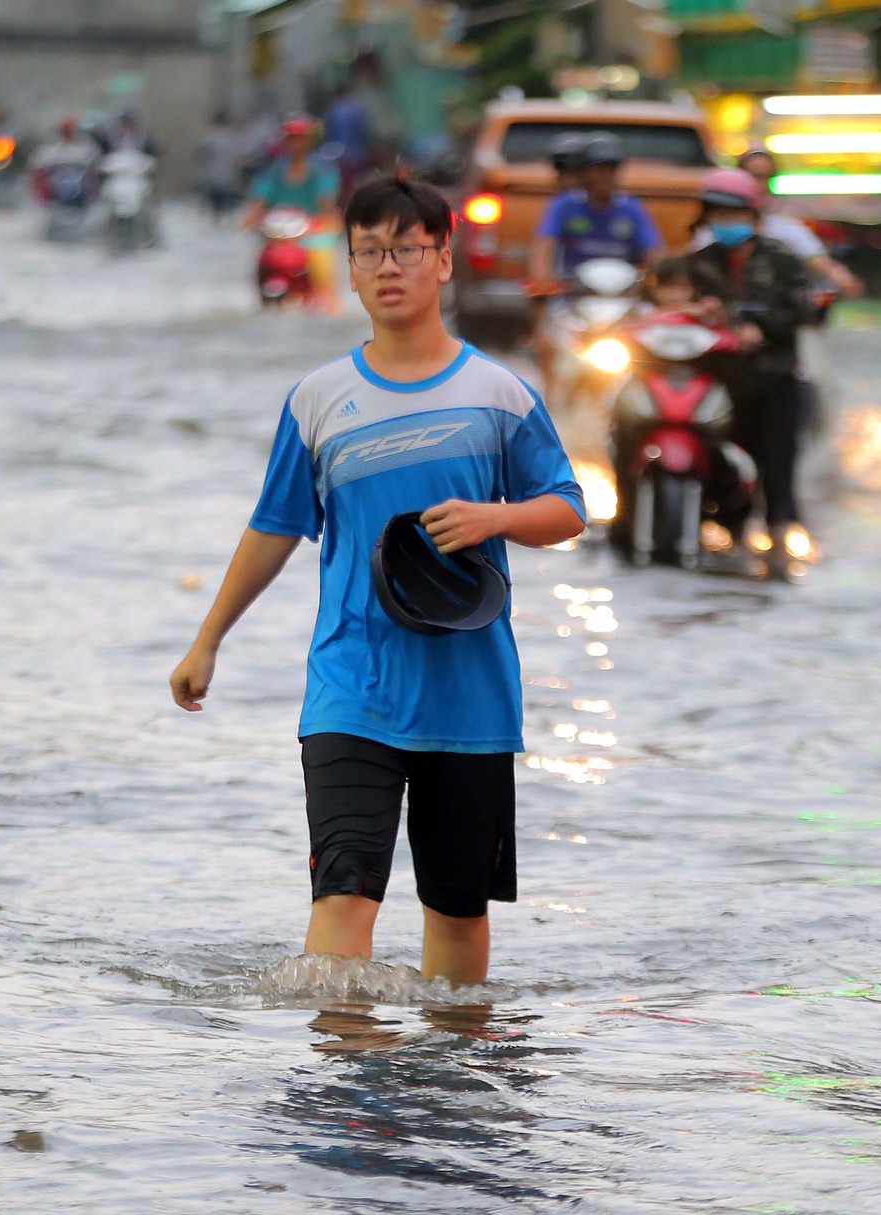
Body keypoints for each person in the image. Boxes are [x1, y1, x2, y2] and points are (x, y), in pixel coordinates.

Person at [170, 177, 586, 987]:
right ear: (350, 270)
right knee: (343, 892)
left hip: (470, 691)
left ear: (443, 260)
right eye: (368, 252)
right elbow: (273, 527)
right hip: (350, 682)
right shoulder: (320, 400)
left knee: (458, 910)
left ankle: (450, 1085)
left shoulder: (498, 394)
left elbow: (568, 509)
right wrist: (207, 638)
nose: (387, 267)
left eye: (405, 249)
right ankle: (341, 1096)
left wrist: (493, 519)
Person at [687, 167, 811, 561]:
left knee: (777, 460)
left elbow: (805, 310)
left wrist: (761, 327)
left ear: (753, 216)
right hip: (718, 380)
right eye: (717, 214)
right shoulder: (697, 264)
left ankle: (779, 536)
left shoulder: (784, 261)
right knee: (717, 458)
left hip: (773, 377)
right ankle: (728, 531)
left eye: (733, 214)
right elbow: (666, 302)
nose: (725, 222)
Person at [693, 149, 865, 299]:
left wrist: (843, 280)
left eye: (766, 178)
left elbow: (817, 260)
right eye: (754, 177)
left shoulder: (784, 231)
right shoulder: (710, 235)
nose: (760, 185)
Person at [528, 131, 663, 284]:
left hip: (621, 291)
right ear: (584, 174)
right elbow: (543, 249)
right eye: (599, 170)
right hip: (573, 291)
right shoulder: (564, 205)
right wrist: (542, 281)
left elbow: (653, 253)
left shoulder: (632, 208)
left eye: (611, 169)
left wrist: (659, 279)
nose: (605, 176)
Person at [246, 116, 343, 312]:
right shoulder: (274, 169)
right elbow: (259, 195)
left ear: (309, 140)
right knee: (262, 258)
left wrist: (327, 216)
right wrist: (252, 216)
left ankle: (329, 301)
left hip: (312, 229)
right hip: (281, 228)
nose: (295, 143)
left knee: (322, 262)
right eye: (291, 138)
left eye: (300, 137)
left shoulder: (322, 169)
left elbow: (327, 200)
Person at [199, 110, 245, 222]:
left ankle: (220, 215)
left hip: (221, 170)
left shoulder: (216, 137)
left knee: (221, 194)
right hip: (219, 169)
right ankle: (220, 215)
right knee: (219, 194)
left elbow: (203, 153)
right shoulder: (227, 137)